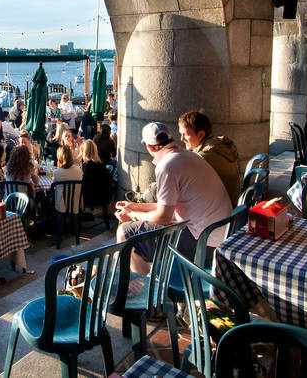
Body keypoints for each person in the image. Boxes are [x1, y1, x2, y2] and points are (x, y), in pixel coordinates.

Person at [114, 122, 232, 271]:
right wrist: (136, 207)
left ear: (149, 147)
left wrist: (132, 214)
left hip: (204, 242)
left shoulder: (167, 166)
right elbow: (169, 206)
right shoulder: (188, 156)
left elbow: (164, 217)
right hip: (217, 233)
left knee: (126, 232)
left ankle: (140, 286)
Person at [177, 111, 240, 206]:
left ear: (201, 135)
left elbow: (177, 179)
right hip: (230, 207)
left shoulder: (206, 156)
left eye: (185, 134)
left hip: (221, 214)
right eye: (181, 134)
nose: (182, 139)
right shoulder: (217, 145)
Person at [81, 140, 112, 229]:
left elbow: (84, 185)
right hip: (103, 196)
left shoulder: (87, 165)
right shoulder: (101, 164)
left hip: (90, 197)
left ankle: (75, 220)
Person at [53, 144, 83, 215]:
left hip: (61, 205)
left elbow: (54, 187)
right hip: (75, 203)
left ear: (59, 157)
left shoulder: (57, 172)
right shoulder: (79, 170)